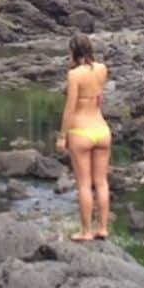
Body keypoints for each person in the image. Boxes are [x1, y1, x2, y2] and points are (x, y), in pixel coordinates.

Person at [56, 34, 111, 242]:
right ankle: (103, 228)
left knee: (84, 185)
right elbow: (99, 98)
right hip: (102, 130)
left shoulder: (74, 75)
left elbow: (70, 108)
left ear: (73, 51)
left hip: (81, 132)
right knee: (102, 182)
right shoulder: (102, 69)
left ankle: (86, 231)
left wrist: (62, 136)